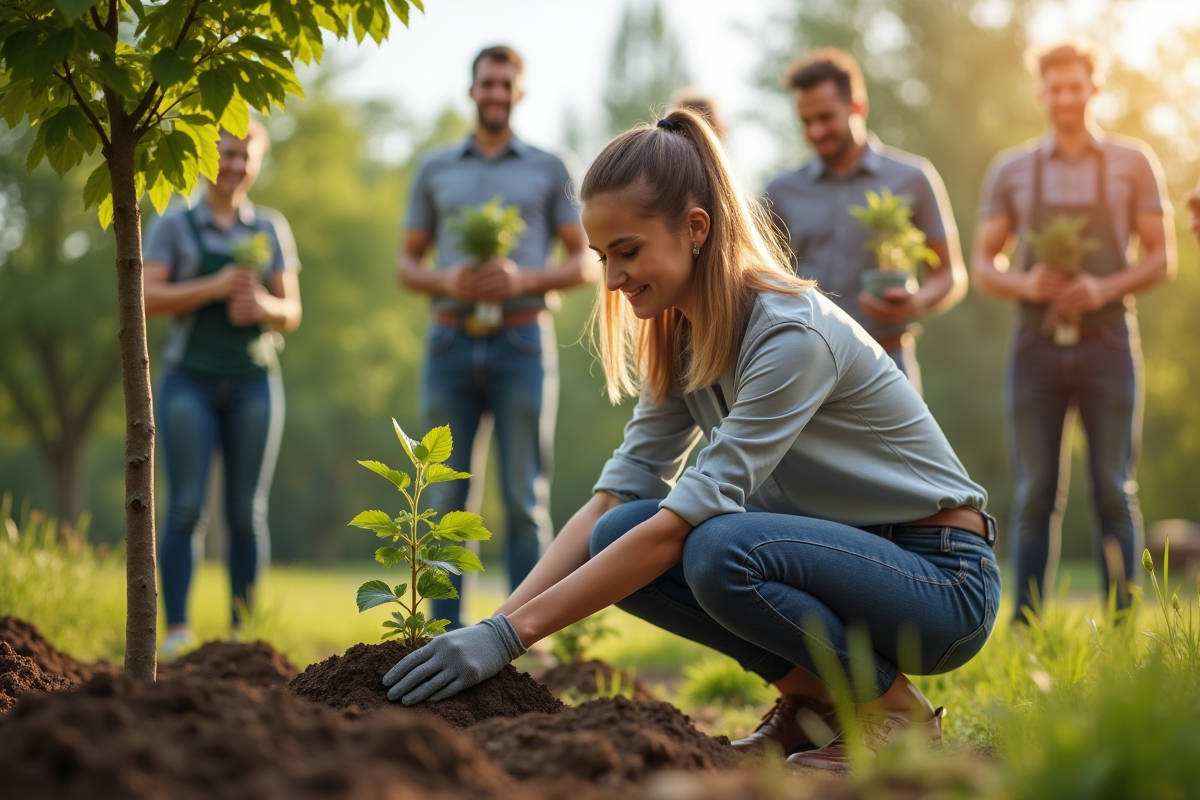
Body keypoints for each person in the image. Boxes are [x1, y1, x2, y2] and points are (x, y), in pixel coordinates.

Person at [380, 108, 1000, 771]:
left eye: (628, 251)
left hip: (939, 580)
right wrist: (491, 629)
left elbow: (686, 521)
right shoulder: (683, 336)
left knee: (717, 546)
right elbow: (615, 498)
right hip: (840, 562)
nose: (612, 280)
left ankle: (898, 719)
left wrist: (508, 638)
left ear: (695, 228)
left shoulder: (791, 334)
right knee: (617, 535)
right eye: (601, 257)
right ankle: (816, 705)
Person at [972, 40, 1175, 622]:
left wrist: (1103, 289)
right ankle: (1027, 627)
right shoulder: (1011, 170)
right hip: (1034, 349)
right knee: (1035, 494)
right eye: (1054, 88)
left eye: (1075, 86)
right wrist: (1028, 282)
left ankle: (1121, 625)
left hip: (1109, 344)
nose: (1065, 97)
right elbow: (985, 265)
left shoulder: (1132, 163)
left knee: (1114, 490)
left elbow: (1162, 257)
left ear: (1094, 88)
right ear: (1042, 94)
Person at [397, 45, 593, 630]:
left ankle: (525, 633)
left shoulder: (550, 166)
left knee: (523, 498)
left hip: (521, 344)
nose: (497, 93)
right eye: (488, 84)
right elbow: (406, 265)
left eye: (507, 84)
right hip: (449, 342)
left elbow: (586, 261)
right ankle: (442, 631)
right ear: (472, 89)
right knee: (444, 495)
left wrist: (524, 278)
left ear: (520, 93)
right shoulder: (435, 169)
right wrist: (445, 278)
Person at [144, 121, 302, 655]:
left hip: (255, 383)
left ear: (258, 161)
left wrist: (262, 307)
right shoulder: (174, 223)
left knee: (246, 512)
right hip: (188, 381)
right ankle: (178, 632)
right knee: (186, 507)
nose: (234, 166)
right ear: (206, 158)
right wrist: (214, 286)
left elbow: (291, 311)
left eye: (245, 156)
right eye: (226, 155)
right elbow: (145, 297)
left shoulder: (271, 228)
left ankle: (244, 636)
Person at [764, 49, 967, 393]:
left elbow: (951, 275)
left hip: (888, 360)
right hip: (805, 366)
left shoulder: (914, 178)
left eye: (826, 117)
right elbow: (762, 283)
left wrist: (916, 302)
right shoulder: (781, 191)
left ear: (858, 107)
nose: (815, 130)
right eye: (805, 120)